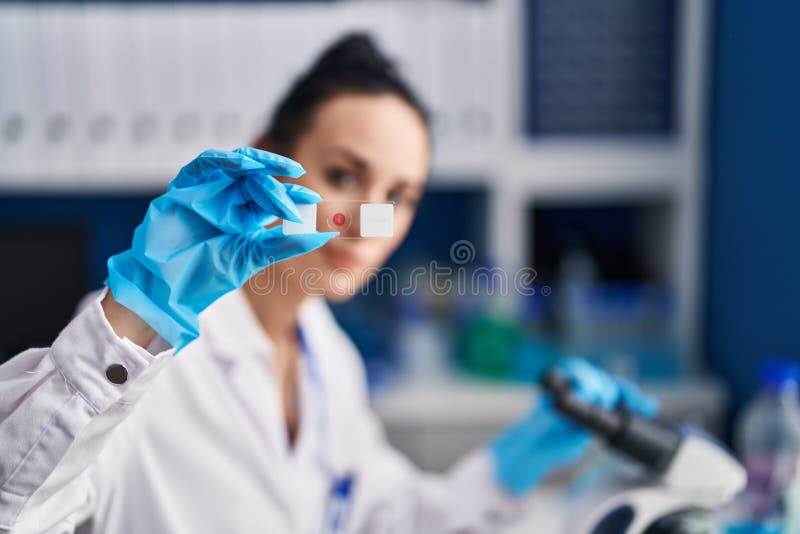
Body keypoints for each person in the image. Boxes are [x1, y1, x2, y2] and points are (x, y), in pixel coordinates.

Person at [0, 34, 657, 533]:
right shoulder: (139, 340)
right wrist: (135, 318)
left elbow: (383, 517)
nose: (369, 222)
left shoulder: (328, 354)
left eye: (398, 197)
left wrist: (513, 463)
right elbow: (18, 507)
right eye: (343, 178)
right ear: (269, 160)